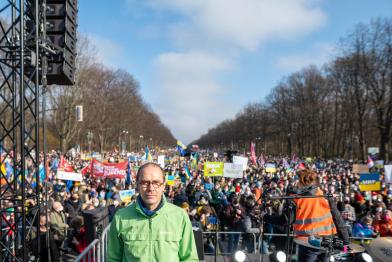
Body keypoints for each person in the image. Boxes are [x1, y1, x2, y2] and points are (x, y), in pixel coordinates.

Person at [108, 162, 198, 261]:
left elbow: (189, 258)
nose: (150, 188)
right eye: (145, 182)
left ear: (163, 186)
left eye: (156, 183)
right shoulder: (120, 217)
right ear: (137, 185)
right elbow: (113, 259)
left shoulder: (180, 216)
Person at [264, 169, 349, 262]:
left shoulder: (296, 199)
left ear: (302, 182)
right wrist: (345, 242)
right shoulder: (325, 196)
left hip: (308, 243)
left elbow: (286, 220)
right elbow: (338, 219)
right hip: (327, 241)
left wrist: (266, 217)